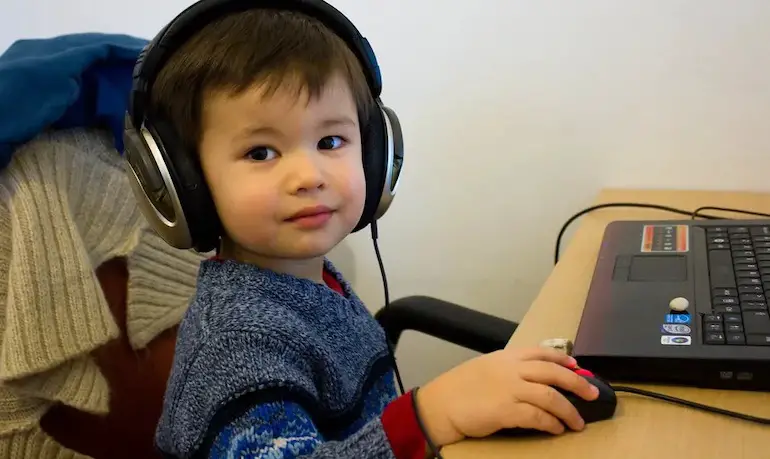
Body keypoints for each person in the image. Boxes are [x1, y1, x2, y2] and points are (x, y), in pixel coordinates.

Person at [123, 1, 601, 458]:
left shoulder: (306, 280)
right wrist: (431, 416)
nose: (309, 176)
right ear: (185, 184)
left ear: (374, 151)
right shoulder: (238, 343)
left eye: (331, 141)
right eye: (261, 153)